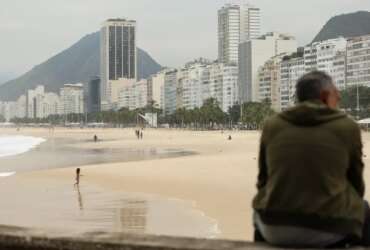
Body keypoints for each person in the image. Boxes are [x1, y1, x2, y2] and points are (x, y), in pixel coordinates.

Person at [253, 71, 367, 248]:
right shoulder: (347, 126)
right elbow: (357, 185)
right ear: (324, 96)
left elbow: (263, 182)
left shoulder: (272, 124)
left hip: (273, 226)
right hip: (330, 228)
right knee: (364, 208)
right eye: (336, 95)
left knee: (260, 206)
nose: (339, 98)